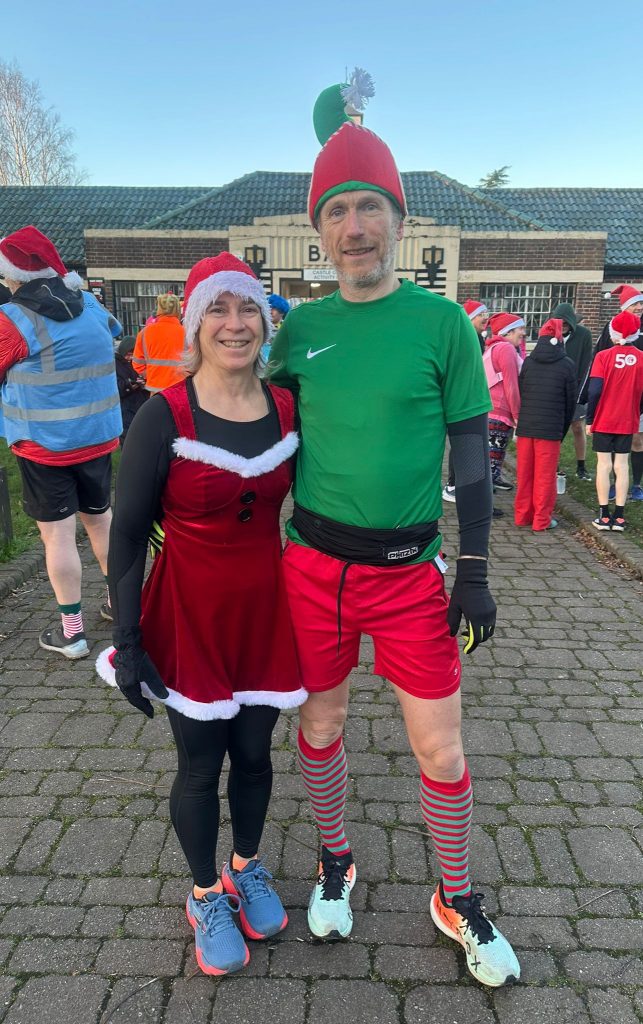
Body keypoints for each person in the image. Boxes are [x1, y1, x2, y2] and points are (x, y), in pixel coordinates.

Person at [269, 68, 520, 988]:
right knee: (322, 722)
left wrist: (476, 570)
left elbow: (469, 454)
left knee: (439, 746)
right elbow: (256, 439)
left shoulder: (442, 323)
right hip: (312, 568)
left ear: (398, 223)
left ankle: (453, 894)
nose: (354, 227)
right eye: (336, 211)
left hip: (412, 574)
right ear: (319, 231)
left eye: (369, 207)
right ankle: (335, 858)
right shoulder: (296, 332)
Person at [98, 253, 305, 977]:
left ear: (265, 322)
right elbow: (127, 535)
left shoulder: (287, 407)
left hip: (265, 610)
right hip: (189, 614)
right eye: (216, 309)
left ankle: (245, 867)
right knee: (199, 764)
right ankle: (204, 894)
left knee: (255, 754)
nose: (234, 324)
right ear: (193, 324)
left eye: (247, 308)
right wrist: (127, 639)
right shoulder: (164, 415)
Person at [0, 225, 122, 656]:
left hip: (44, 446)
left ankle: (73, 633)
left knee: (58, 538)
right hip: (97, 440)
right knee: (101, 522)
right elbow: (114, 331)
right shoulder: (89, 303)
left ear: (14, 276)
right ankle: (120, 608)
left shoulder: (12, 320)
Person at [581, 285, 643, 500]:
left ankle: (635, 485)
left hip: (637, 398)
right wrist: (586, 395)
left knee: (637, 440)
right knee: (617, 445)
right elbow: (597, 360)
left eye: (641, 303)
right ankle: (616, 485)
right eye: (635, 304)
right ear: (624, 307)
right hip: (615, 400)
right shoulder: (611, 328)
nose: (640, 307)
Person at [514, 318, 576, 532]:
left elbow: (521, 391)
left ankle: (522, 515)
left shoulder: (529, 362)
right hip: (550, 429)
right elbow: (570, 402)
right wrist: (562, 429)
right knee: (545, 477)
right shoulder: (567, 365)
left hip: (526, 426)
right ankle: (541, 519)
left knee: (524, 474)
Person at [442, 299, 489, 503]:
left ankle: (463, 488)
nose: (485, 318)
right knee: (461, 442)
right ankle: (453, 485)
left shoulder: (478, 339)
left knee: (468, 445)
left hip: (472, 397)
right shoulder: (465, 338)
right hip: (461, 399)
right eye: (480, 315)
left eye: (486, 314)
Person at [484, 312, 525, 494]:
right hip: (500, 412)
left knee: (490, 457)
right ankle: (486, 503)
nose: (523, 333)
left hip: (490, 410)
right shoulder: (506, 349)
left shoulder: (492, 348)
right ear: (508, 332)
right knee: (493, 458)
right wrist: (517, 415)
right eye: (520, 329)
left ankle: (491, 487)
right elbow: (511, 385)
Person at [552, 301, 593, 481]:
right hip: (556, 389)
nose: (563, 326)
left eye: (566, 323)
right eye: (559, 323)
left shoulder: (584, 335)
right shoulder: (551, 333)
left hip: (576, 388)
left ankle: (581, 466)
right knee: (556, 429)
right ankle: (554, 465)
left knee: (577, 427)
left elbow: (586, 364)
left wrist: (580, 392)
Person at [132, 293, 186, 393]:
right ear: (178, 310)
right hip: (179, 390)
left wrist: (152, 375)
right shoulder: (187, 333)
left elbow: (137, 363)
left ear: (158, 309)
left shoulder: (144, 333)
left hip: (155, 389)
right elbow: (194, 363)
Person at [114, 336, 148, 446]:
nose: (130, 357)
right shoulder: (115, 364)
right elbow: (115, 387)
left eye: (133, 354)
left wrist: (143, 383)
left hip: (139, 404)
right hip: (125, 408)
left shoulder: (137, 362)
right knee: (128, 440)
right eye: (128, 354)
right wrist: (129, 385)